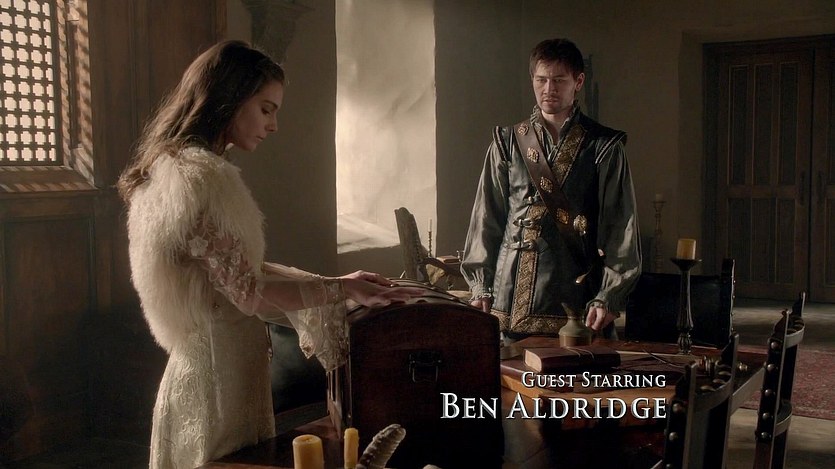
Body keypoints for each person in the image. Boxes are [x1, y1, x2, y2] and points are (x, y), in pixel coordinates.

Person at [116, 40, 423, 469]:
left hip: (220, 368)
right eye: (266, 109)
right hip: (215, 382)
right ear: (229, 97)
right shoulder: (200, 180)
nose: (273, 125)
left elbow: (239, 273)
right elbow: (248, 294)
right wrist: (340, 290)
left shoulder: (178, 171)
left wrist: (341, 283)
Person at [461, 38, 641, 340]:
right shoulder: (507, 142)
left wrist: (610, 296)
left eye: (559, 80)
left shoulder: (603, 146)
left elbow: (621, 226)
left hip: (578, 298)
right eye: (541, 80)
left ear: (578, 82)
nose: (549, 89)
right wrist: (481, 286)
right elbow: (486, 219)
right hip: (509, 299)